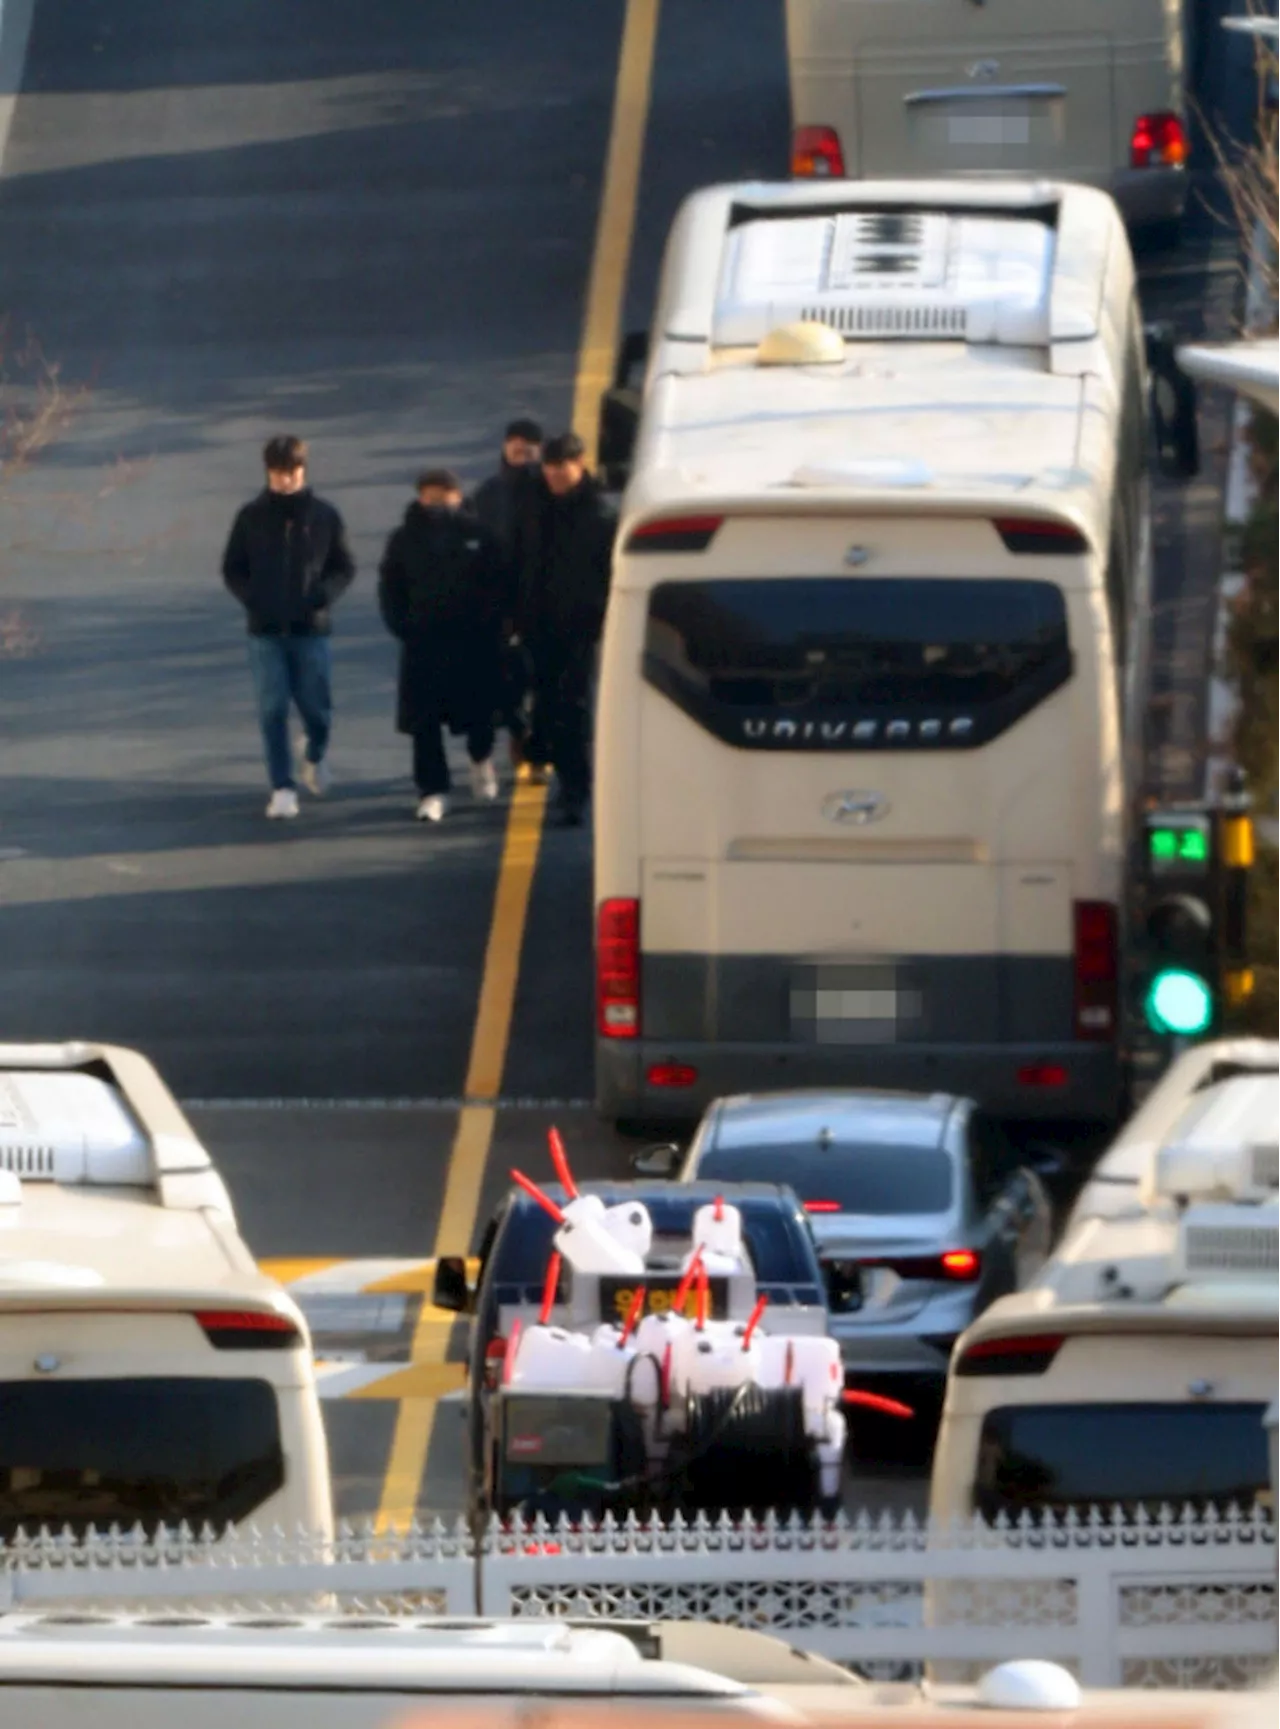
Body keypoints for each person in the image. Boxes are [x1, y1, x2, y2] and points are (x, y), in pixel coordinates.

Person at [222, 435, 356, 819]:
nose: (286, 479)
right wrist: (252, 598)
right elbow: (233, 568)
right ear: (268, 472)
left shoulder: (324, 516)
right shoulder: (250, 517)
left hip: (310, 629)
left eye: (292, 471)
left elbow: (344, 566)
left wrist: (323, 595)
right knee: (272, 708)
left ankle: (314, 752)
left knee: (318, 708)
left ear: (303, 470)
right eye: (279, 472)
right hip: (265, 632)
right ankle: (282, 787)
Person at [378, 469, 508, 823]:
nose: (437, 504)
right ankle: (432, 790)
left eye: (444, 496)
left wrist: (492, 626)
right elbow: (390, 588)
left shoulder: (479, 536)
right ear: (420, 498)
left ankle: (481, 759)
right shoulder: (403, 539)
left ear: (458, 497)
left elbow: (499, 585)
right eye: (430, 497)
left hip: (473, 644)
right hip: (424, 646)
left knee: (480, 715)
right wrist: (403, 626)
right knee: (425, 723)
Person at [516, 432, 616, 827]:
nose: (555, 474)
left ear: (581, 464)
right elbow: (517, 559)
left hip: (578, 627)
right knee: (542, 698)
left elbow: (610, 573)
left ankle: (575, 791)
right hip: (535, 624)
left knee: (574, 707)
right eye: (550, 467)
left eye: (563, 467)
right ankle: (543, 755)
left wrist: (597, 617)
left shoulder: (600, 515)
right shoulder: (531, 507)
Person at [469, 417, 543, 772]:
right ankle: (514, 736)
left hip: (544, 603)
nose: (521, 454)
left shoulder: (548, 493)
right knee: (506, 681)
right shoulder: (487, 496)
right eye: (516, 447)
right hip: (500, 605)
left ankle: (536, 749)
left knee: (544, 681)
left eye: (528, 449)